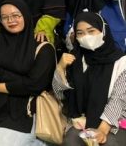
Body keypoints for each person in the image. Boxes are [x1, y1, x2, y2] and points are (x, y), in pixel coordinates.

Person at [0, 0, 56, 146]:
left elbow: (36, 85)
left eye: (16, 15)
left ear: (25, 15)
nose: (11, 20)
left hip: (22, 109)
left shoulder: (42, 47)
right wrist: (22, 79)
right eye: (5, 17)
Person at [54, 12, 126, 145]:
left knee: (109, 143)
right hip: (80, 122)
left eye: (91, 31)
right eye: (80, 33)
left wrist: (102, 130)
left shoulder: (121, 62)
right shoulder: (75, 58)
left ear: (103, 31)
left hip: (113, 123)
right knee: (70, 141)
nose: (86, 37)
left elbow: (118, 100)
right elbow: (60, 95)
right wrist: (60, 68)